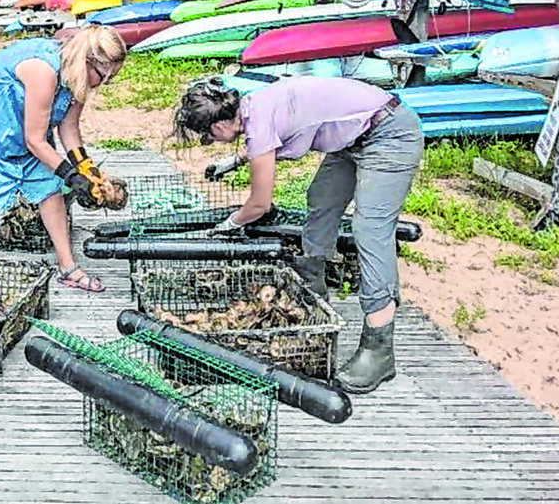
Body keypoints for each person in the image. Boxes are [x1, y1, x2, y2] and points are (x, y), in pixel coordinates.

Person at [172, 75, 424, 394]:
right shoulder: (254, 105)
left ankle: (378, 348)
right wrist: (234, 161)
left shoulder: (258, 121)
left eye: (207, 136)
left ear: (219, 127)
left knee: (371, 228)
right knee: (321, 198)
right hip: (354, 138)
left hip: (389, 132)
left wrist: (228, 225)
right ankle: (312, 286)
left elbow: (259, 204)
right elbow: (268, 139)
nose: (211, 140)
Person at [0, 24, 127, 293]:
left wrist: (85, 167)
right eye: (103, 76)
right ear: (88, 61)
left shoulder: (78, 78)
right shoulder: (43, 71)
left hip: (26, 126)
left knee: (50, 188)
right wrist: (71, 176)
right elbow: (35, 141)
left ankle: (68, 266)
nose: (104, 84)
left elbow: (69, 128)